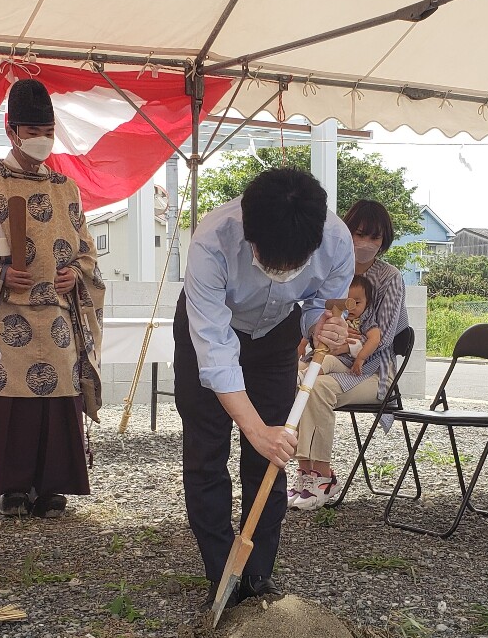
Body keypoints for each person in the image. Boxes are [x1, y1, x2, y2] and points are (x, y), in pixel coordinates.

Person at [175, 167, 353, 609]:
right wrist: (256, 429)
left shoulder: (335, 240)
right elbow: (215, 353)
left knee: (271, 458)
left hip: (276, 335)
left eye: (290, 266)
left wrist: (321, 327)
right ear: (250, 233)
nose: (278, 273)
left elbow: (322, 305)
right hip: (212, 330)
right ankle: (222, 572)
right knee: (207, 451)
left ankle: (257, 576)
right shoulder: (212, 240)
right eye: (268, 261)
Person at [0, 78, 104, 519]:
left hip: (58, 315)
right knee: (12, 401)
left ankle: (54, 484)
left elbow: (87, 253)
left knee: (59, 401)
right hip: (6, 314)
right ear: (9, 129)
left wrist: (75, 274)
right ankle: (14, 487)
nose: (41, 139)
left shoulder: (66, 188)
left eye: (47, 131)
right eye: (31, 130)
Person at [290, 199, 408, 511]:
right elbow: (314, 319)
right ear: (345, 233)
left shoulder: (390, 278)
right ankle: (305, 474)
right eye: (359, 234)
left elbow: (384, 337)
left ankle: (321, 475)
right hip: (333, 357)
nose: (366, 244)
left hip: (374, 370)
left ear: (385, 241)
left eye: (375, 238)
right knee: (299, 376)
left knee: (318, 386)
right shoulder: (333, 271)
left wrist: (345, 346)